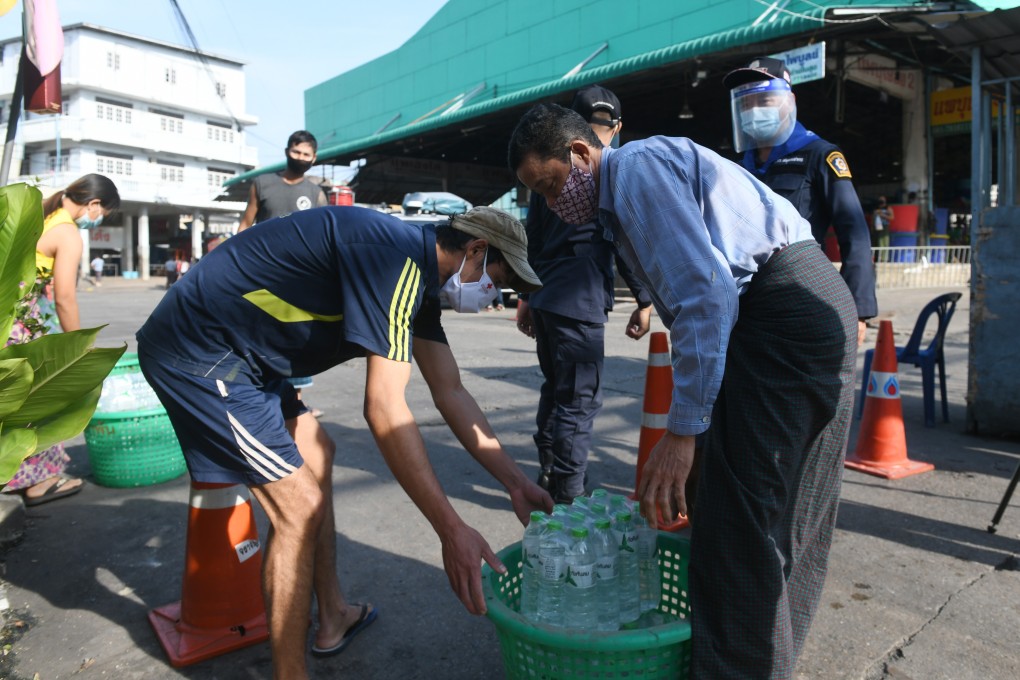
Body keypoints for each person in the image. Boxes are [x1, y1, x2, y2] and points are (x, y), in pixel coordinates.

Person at [509, 104, 858, 679]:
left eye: (549, 186)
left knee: (735, 532)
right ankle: (768, 662)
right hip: (810, 306)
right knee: (787, 516)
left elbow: (708, 296)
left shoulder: (634, 171)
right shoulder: (633, 183)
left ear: (578, 153)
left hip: (782, 315)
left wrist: (682, 432)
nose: (552, 204)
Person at [136, 205, 553, 679]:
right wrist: (451, 528)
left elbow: (451, 391)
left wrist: (515, 482)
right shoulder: (392, 260)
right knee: (298, 508)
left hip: (250, 356)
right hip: (201, 350)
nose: (493, 296)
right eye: (496, 279)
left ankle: (331, 615)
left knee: (318, 453)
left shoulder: (418, 282)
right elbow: (384, 409)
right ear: (476, 249)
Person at [514, 84, 652, 503]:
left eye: (602, 130)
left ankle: (549, 469)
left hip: (547, 298)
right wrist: (645, 300)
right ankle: (569, 495)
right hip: (579, 300)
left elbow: (531, 240)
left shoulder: (551, 170)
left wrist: (526, 296)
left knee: (556, 390)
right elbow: (621, 238)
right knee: (578, 401)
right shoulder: (604, 174)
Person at [723, 57, 877, 346]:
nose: (754, 110)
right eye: (746, 104)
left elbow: (854, 233)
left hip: (797, 295)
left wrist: (857, 308)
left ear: (788, 102)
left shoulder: (819, 155)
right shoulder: (737, 168)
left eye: (765, 99)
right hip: (743, 304)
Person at [2, 174, 120, 506]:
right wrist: (79, 348)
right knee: (39, 399)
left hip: (6, 312)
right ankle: (39, 481)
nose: (96, 220)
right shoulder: (67, 232)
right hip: (19, 321)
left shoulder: (42, 214)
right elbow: (65, 298)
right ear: (93, 204)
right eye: (101, 214)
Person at [238, 129, 330, 417]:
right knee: (261, 336)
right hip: (262, 275)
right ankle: (261, 399)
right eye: (296, 152)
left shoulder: (316, 193)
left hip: (300, 279)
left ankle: (295, 403)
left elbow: (323, 237)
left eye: (306, 154)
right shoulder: (262, 183)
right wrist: (237, 261)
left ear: (313, 159)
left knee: (295, 339)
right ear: (287, 151)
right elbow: (245, 223)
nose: (300, 158)